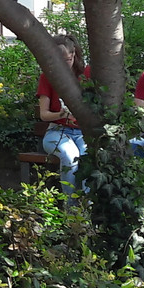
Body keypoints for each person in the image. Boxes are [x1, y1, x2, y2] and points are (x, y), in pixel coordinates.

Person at [36, 34, 91, 190]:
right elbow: (44, 114)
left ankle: (89, 207)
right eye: (59, 61)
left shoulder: (86, 75)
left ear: (73, 54)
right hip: (56, 132)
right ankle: (71, 209)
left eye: (67, 60)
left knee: (89, 157)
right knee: (70, 155)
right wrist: (63, 114)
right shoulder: (47, 77)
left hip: (82, 132)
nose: (64, 65)